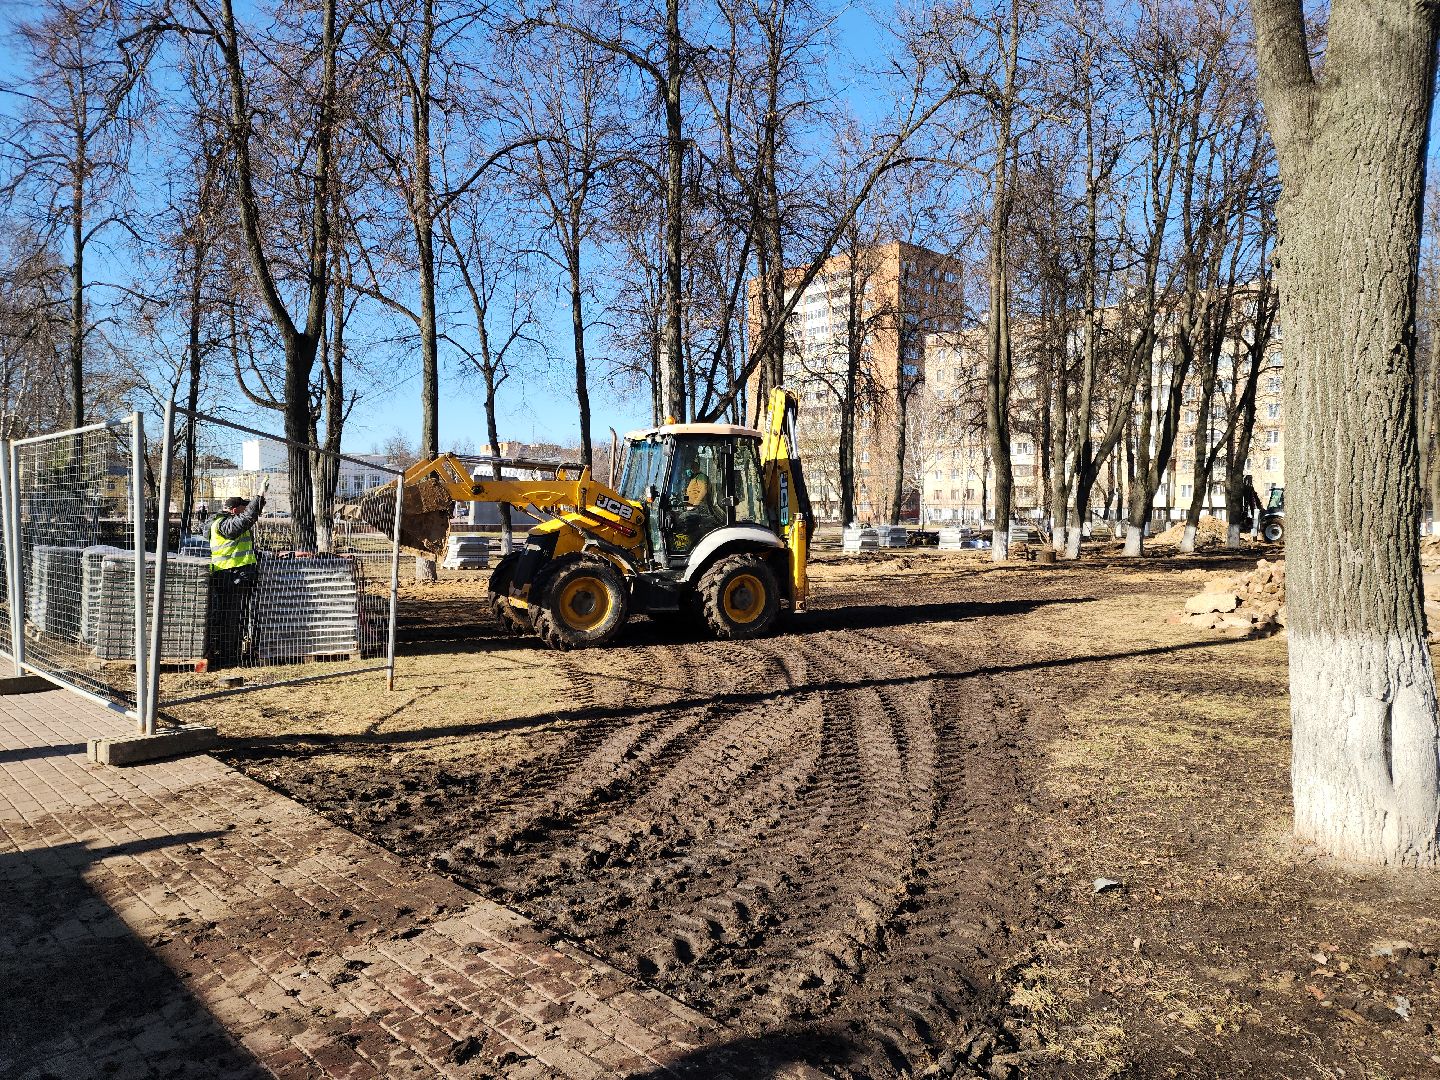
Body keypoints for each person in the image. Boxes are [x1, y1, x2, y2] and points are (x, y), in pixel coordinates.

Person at [208, 478, 268, 664]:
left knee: (236, 618)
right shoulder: (223, 524)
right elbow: (247, 519)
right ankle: (228, 658)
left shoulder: (227, 523)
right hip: (230, 577)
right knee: (230, 620)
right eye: (243, 508)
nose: (245, 510)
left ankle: (231, 654)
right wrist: (259, 496)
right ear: (234, 510)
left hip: (236, 576)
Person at [1242, 474, 1262, 540]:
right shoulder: (1248, 490)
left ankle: (1254, 537)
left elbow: (1252, 502)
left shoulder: (1249, 490)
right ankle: (1254, 537)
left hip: (1254, 513)